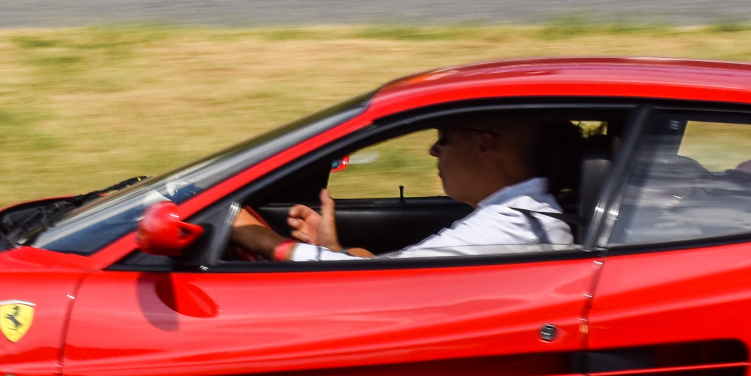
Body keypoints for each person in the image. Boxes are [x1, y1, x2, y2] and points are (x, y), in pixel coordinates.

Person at [227, 117, 572, 262]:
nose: (433, 151)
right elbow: (399, 271)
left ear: (484, 145)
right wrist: (334, 250)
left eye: (444, 139)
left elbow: (377, 282)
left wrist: (259, 238)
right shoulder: (517, 214)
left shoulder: (513, 224)